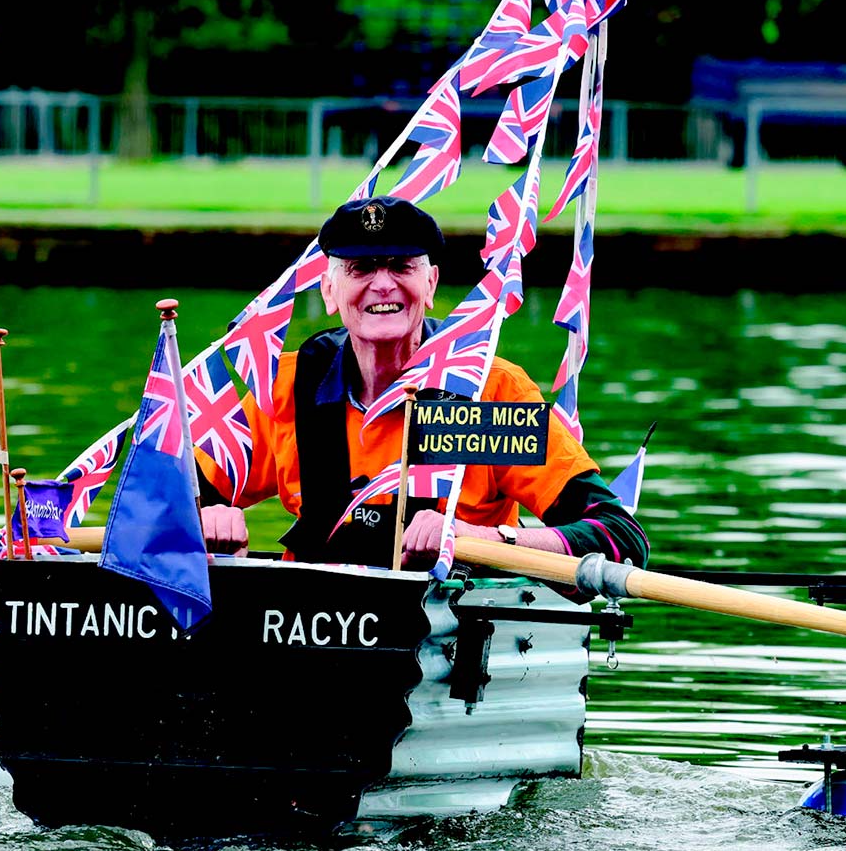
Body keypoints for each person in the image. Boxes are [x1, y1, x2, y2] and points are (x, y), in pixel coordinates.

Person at [194, 196, 648, 572]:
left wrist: (477, 537)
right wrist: (207, 522)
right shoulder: (286, 386)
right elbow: (160, 505)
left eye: (401, 266)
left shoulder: (489, 394)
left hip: (450, 635)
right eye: (360, 268)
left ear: (430, 284)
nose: (383, 284)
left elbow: (619, 535)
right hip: (310, 630)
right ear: (329, 292)